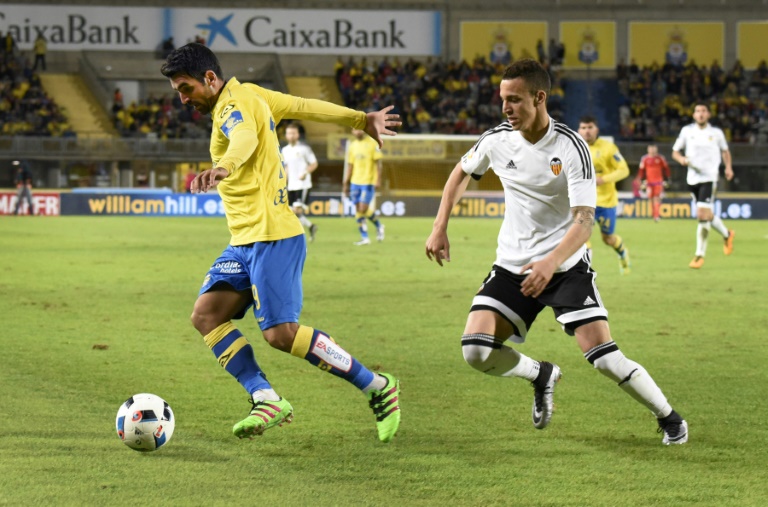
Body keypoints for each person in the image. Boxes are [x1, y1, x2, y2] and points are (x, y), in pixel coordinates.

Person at [425, 59, 687, 445]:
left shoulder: (570, 146)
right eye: (502, 99)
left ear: (539, 97)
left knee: (602, 356)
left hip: (564, 267)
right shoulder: (497, 139)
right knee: (476, 352)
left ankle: (670, 419)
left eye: (514, 100)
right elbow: (461, 172)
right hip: (512, 266)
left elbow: (584, 221)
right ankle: (540, 374)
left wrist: (550, 262)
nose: (505, 108)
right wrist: (439, 225)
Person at [160, 43, 401, 442]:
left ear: (209, 78)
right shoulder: (254, 95)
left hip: (272, 235)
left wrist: (223, 166)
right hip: (244, 240)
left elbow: (242, 140)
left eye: (186, 89)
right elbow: (307, 106)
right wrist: (360, 117)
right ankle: (266, 398)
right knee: (206, 315)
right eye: (178, 92)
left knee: (281, 335)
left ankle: (378, 386)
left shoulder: (235, 107)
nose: (183, 99)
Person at [672, 103, 735, 269]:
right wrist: (682, 160)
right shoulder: (687, 131)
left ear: (708, 115)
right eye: (698, 111)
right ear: (693, 115)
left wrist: (728, 167)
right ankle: (727, 234)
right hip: (692, 178)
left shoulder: (716, 133)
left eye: (703, 111)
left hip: (709, 177)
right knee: (706, 214)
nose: (700, 114)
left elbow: (725, 151)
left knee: (701, 214)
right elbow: (675, 151)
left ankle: (699, 255)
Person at [577, 116, 632, 274]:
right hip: (584, 202)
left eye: (590, 127)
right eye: (583, 128)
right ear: (579, 130)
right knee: (582, 237)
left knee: (608, 239)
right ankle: (585, 275)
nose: (587, 131)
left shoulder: (609, 148)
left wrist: (603, 179)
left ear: (597, 129)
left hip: (606, 202)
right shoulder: (574, 148)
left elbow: (624, 170)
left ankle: (623, 253)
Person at [342, 128, 385, 245]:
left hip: (368, 181)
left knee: (362, 209)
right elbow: (350, 165)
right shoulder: (352, 146)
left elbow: (378, 164)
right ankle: (365, 238)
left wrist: (378, 180)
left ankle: (379, 226)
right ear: (352, 131)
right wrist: (346, 183)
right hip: (355, 181)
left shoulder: (372, 143)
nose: (357, 131)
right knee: (358, 209)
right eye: (355, 129)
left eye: (360, 129)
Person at [281, 122, 319, 241]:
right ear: (286, 135)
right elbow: (286, 166)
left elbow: (314, 163)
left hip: (303, 185)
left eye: (293, 133)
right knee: (292, 212)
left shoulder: (304, 149)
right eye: (289, 133)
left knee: (297, 210)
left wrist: (305, 173)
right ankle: (311, 226)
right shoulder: (285, 150)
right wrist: (284, 179)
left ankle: (296, 238)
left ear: (297, 135)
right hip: (291, 185)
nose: (291, 135)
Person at [638, 144, 671, 222]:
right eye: (651, 149)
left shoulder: (660, 158)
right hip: (649, 182)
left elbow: (666, 169)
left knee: (657, 198)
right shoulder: (645, 159)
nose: (652, 150)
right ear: (648, 149)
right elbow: (641, 170)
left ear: (656, 149)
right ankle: (654, 215)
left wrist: (668, 178)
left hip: (658, 182)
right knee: (650, 198)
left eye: (653, 149)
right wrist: (641, 180)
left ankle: (656, 216)